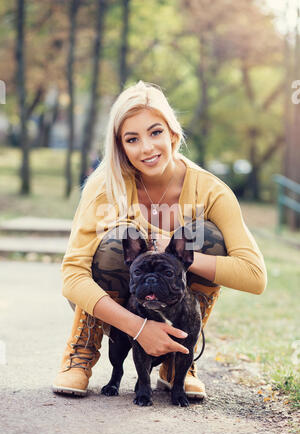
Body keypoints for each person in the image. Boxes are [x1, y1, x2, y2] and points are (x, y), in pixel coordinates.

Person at [52, 81, 267, 399]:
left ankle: (179, 353)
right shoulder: (105, 186)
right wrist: (138, 327)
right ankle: (81, 354)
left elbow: (255, 276)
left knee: (206, 236)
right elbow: (71, 276)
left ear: (174, 135)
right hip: (115, 306)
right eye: (132, 139)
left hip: (176, 304)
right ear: (120, 146)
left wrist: (178, 251)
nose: (147, 148)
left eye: (155, 133)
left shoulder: (211, 191)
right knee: (116, 242)